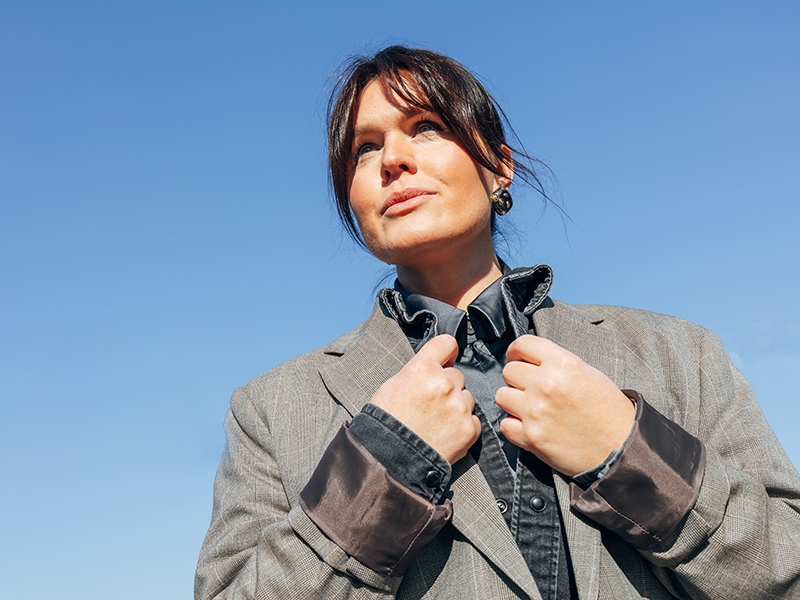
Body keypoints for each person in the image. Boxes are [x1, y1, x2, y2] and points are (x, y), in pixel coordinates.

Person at [195, 46, 800, 600]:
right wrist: (385, 465)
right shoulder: (271, 411)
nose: (394, 161)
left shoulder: (679, 355)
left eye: (426, 127)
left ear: (498, 168)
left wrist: (631, 455)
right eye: (365, 149)